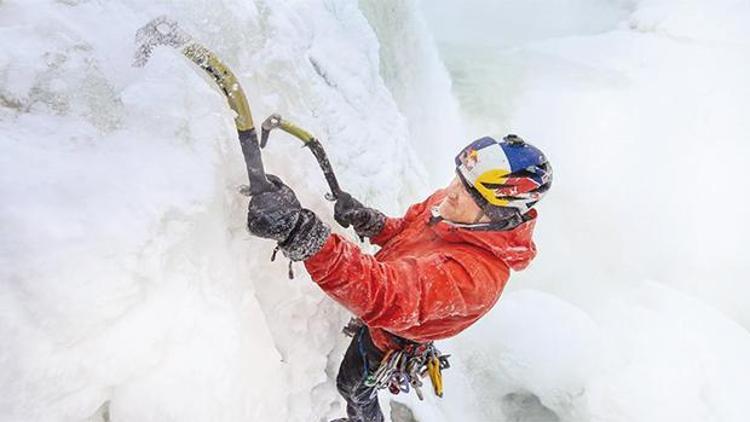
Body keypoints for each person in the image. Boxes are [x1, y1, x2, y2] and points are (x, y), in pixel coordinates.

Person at [246, 135, 552, 422]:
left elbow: (385, 295)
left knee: (352, 386)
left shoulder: (475, 279)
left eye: (473, 194)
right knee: (353, 385)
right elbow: (406, 230)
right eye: (460, 179)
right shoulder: (453, 206)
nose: (453, 192)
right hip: (392, 312)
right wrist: (371, 221)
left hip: (394, 334)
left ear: (498, 214)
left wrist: (304, 235)